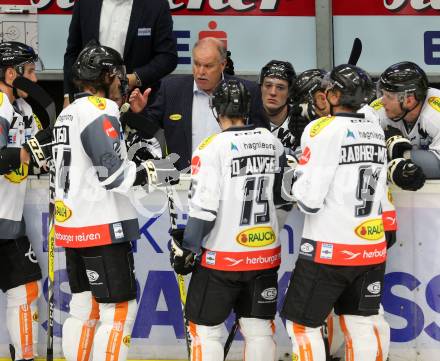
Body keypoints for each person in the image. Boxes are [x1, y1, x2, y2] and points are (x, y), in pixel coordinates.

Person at [53, 43, 178, 361]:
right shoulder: (100, 110)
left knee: (83, 308)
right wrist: (153, 170)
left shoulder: (67, 112)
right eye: (119, 74)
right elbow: (115, 177)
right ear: (107, 75)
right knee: (119, 310)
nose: (124, 81)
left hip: (72, 226)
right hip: (102, 226)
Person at [169, 79, 292, 361]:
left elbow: (204, 211)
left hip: (222, 259)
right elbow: (284, 199)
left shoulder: (211, 148)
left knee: (205, 330)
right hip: (265, 256)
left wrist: (187, 249)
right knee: (259, 330)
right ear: (249, 108)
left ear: (216, 110)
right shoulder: (271, 142)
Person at [281, 64, 390, 361]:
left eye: (329, 89)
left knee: (302, 325)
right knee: (362, 324)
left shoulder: (321, 129)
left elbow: (309, 201)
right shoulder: (375, 131)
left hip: (328, 250)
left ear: (337, 94)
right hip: (370, 248)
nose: (324, 93)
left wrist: (292, 178)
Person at [123, 37, 269, 170]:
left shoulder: (246, 90)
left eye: (208, 66)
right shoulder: (171, 89)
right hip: (183, 182)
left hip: (231, 179)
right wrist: (139, 112)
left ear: (223, 64)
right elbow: (149, 133)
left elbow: (262, 138)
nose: (200, 72)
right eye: (197, 64)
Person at [0, 41, 51, 361]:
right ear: (9, 73)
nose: (34, 79)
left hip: (8, 220)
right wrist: (33, 151)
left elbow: (42, 157)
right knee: (24, 289)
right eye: (29, 72)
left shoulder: (24, 110)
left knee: (25, 289)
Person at [63, 0, 177, 107]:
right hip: (88, 102)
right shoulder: (85, 3)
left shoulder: (156, 5)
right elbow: (72, 53)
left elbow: (168, 57)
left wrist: (133, 79)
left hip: (136, 104)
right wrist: (69, 96)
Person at [369, 61, 433, 190]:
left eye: (388, 96)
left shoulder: (435, 114)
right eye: (382, 94)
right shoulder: (376, 112)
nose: (382, 102)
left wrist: (396, 156)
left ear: (409, 100)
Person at [258, 60, 308, 153]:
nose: (273, 92)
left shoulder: (303, 120)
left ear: (290, 92)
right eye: (268, 85)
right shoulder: (246, 119)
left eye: (280, 87)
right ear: (260, 88)